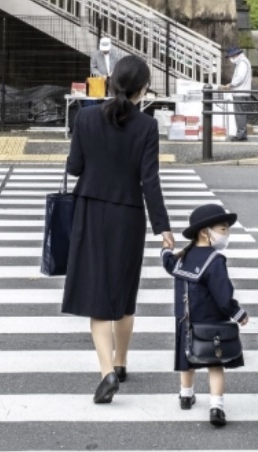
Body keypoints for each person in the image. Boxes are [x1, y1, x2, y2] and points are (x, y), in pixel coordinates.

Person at [62, 55, 175, 404]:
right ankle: (122, 362)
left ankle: (106, 372)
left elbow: (75, 167)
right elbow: (149, 182)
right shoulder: (146, 127)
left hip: (91, 210)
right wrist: (163, 227)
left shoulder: (85, 117)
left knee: (98, 296)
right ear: (142, 90)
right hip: (128, 215)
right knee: (124, 297)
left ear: (110, 82)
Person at [161, 204, 249, 426]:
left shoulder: (182, 257)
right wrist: (237, 312)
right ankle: (216, 407)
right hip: (211, 321)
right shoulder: (215, 260)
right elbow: (223, 293)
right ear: (204, 232)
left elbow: (168, 263)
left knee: (187, 359)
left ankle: (186, 395)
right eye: (222, 229)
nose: (226, 234)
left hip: (185, 319)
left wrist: (164, 249)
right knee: (215, 364)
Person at [220, 46, 252, 141]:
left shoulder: (242, 63)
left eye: (231, 56)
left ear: (235, 55)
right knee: (241, 114)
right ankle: (242, 134)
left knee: (240, 114)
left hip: (240, 93)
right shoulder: (243, 62)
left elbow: (240, 77)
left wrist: (230, 85)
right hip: (243, 92)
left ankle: (241, 135)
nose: (230, 59)